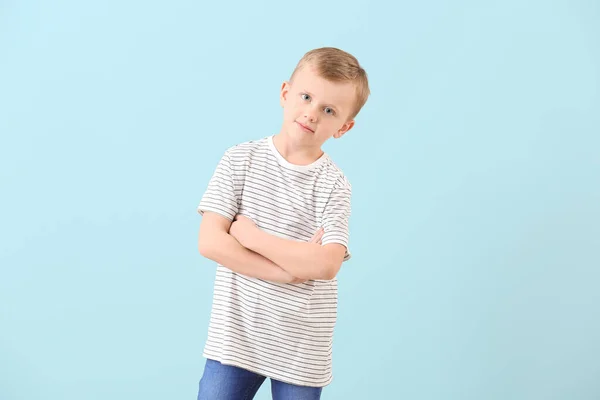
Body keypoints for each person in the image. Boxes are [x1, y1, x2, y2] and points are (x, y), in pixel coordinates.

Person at [195, 47, 370, 400]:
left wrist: (250, 236)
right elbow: (211, 243)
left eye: (329, 110)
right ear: (285, 93)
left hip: (302, 345)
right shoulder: (240, 160)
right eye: (306, 96)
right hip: (236, 335)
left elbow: (325, 264)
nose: (311, 113)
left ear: (344, 127)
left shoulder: (335, 185)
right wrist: (285, 271)